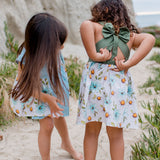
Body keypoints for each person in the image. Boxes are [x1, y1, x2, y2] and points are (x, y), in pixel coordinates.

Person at [76, 0, 155, 160]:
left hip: (96, 85)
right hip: (118, 85)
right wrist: (130, 63)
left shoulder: (94, 26)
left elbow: (85, 25)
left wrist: (96, 56)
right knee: (116, 134)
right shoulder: (130, 36)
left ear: (104, 9)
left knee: (91, 131)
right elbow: (150, 39)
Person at [10, 13, 83, 160]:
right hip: (36, 93)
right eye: (59, 44)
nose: (62, 47)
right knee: (48, 125)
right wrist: (45, 98)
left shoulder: (51, 46)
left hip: (53, 88)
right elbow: (25, 85)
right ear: (42, 45)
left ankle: (66, 144)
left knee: (59, 115)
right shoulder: (27, 57)